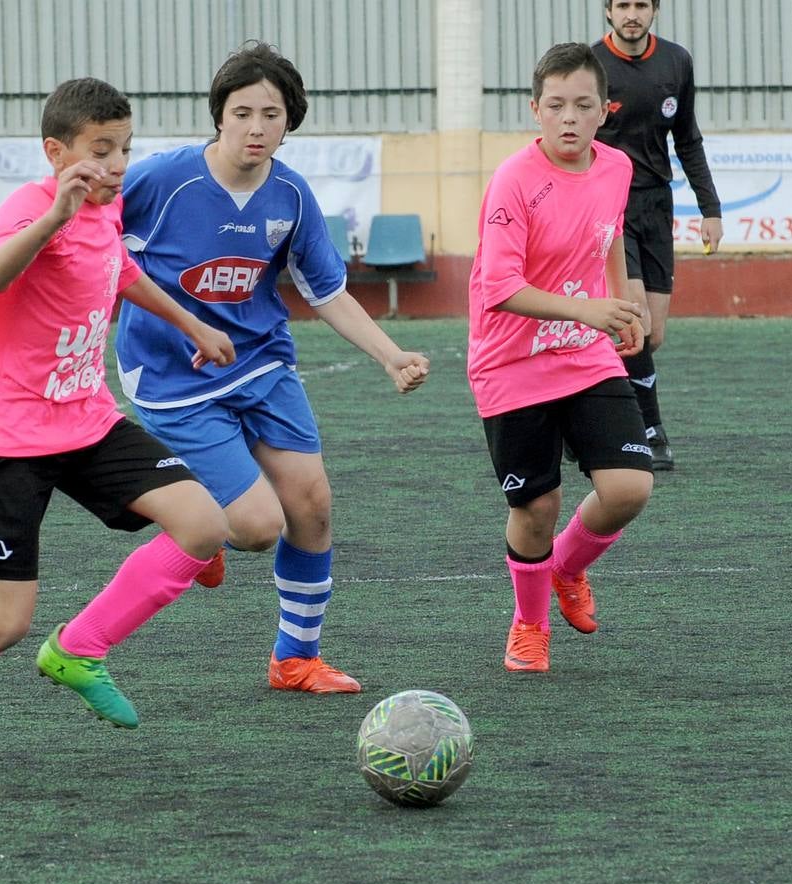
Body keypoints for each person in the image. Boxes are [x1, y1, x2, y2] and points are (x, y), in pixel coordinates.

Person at [0, 78, 237, 788]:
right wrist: (54, 214)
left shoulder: (105, 209)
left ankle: (81, 650)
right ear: (56, 152)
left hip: (86, 420)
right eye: (100, 150)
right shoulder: (32, 208)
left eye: (124, 148)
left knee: (205, 524)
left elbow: (120, 272)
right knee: (2, 623)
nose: (116, 164)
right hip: (10, 438)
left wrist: (191, 322)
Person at [113, 42, 430, 694]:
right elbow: (90, 250)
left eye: (272, 114)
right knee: (257, 529)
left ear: (291, 121)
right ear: (218, 116)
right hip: (172, 378)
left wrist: (390, 354)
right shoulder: (162, 181)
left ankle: (296, 660)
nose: (256, 127)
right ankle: (192, 521)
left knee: (311, 502)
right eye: (242, 112)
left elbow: (327, 292)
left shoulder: (290, 194)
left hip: (260, 362)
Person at [468, 42, 653, 673]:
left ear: (606, 110)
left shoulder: (617, 168)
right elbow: (500, 289)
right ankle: (529, 623)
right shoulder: (514, 181)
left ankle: (567, 569)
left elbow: (609, 237)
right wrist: (588, 311)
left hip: (586, 353)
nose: (569, 117)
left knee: (629, 487)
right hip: (510, 362)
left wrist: (627, 303)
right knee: (536, 507)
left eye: (582, 104)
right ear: (535, 111)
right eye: (555, 105)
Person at [592, 0, 723, 470]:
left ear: (654, 11)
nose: (632, 14)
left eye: (641, 5)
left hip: (656, 206)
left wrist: (710, 209)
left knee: (652, 334)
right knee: (633, 321)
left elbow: (687, 137)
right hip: (608, 208)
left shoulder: (676, 62)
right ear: (607, 12)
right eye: (622, 5)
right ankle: (649, 431)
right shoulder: (592, 66)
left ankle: (577, 415)